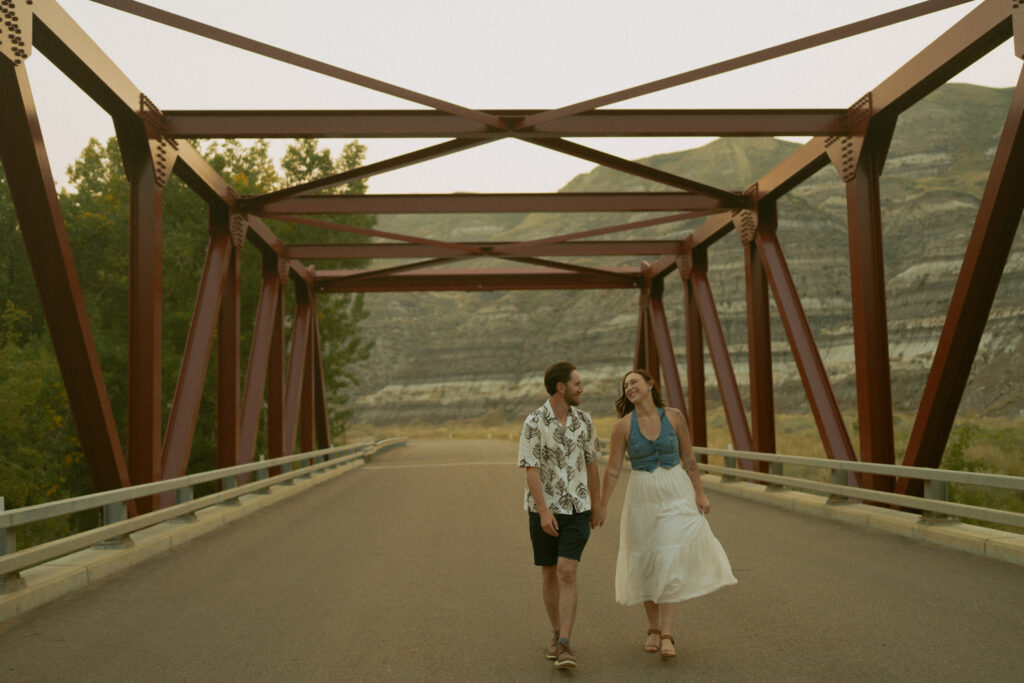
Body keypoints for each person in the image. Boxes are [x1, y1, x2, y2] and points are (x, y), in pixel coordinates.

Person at [594, 368, 736, 660]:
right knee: (646, 559)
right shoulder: (622, 426)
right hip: (642, 495)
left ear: (650, 385)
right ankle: (653, 628)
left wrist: (700, 492)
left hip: (676, 491)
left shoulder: (674, 417)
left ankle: (668, 633)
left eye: (634, 382)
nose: (629, 387)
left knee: (670, 559)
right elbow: (613, 468)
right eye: (625, 385)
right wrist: (602, 504)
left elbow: (688, 458)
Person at [517, 361, 602, 670]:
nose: (582, 388)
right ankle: (556, 633)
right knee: (550, 571)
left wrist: (599, 503)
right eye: (577, 383)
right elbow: (531, 470)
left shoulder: (586, 421)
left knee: (567, 570)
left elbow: (592, 463)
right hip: (545, 510)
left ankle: (565, 642)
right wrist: (542, 512)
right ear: (560, 387)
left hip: (578, 508)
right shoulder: (534, 422)